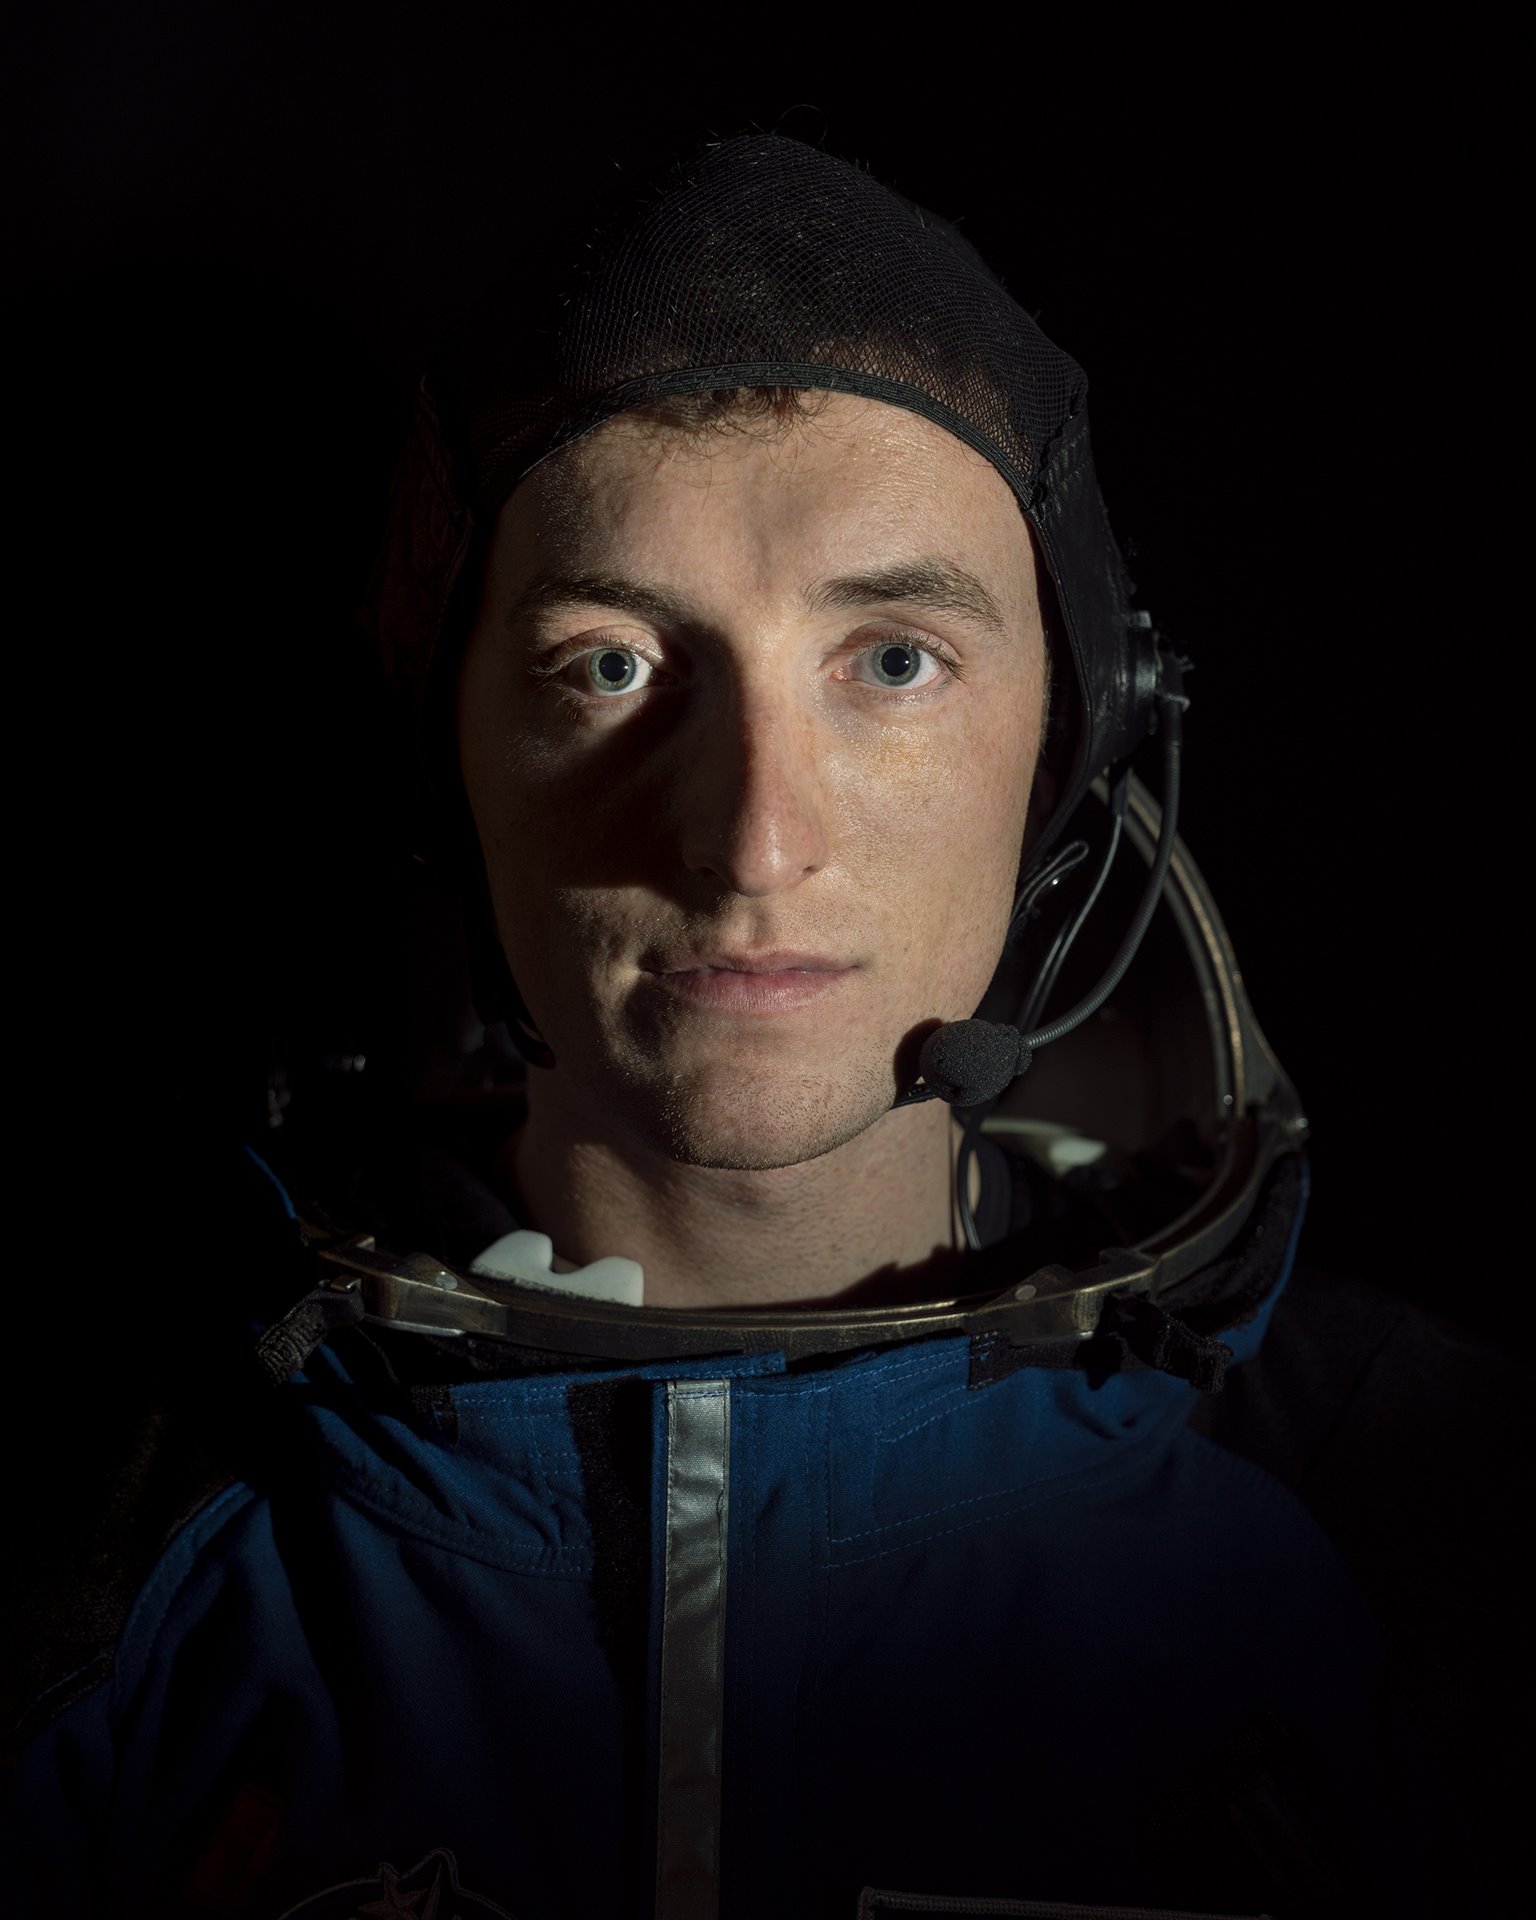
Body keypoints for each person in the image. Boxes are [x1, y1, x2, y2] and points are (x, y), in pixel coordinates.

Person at [4, 131, 1504, 1920]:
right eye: (611, 664)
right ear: (442, 759)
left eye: (892, 661)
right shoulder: (86, 1551)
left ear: (1073, 743)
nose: (752, 840)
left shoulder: (1425, 1524)